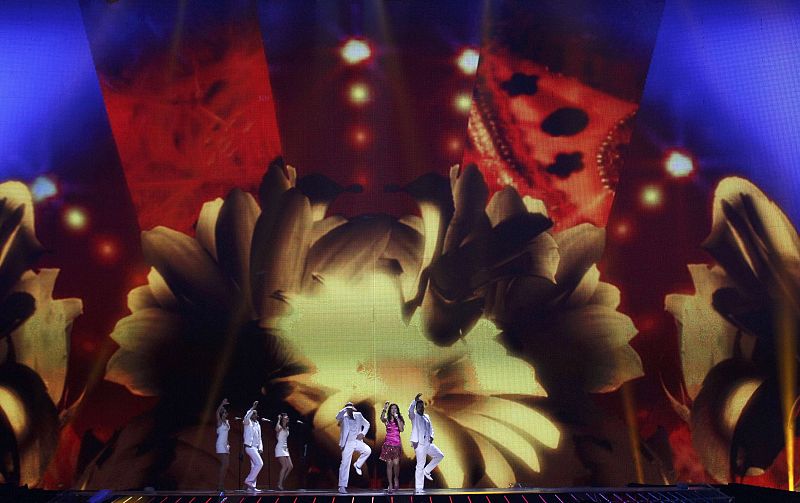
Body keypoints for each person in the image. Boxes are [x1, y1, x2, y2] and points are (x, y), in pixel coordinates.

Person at [408, 393, 443, 491]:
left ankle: (427, 471)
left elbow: (431, 428)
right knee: (420, 465)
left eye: (422, 406)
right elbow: (410, 410)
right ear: (416, 407)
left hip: (428, 443)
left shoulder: (427, 416)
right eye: (419, 406)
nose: (421, 408)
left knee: (440, 455)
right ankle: (419, 488)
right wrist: (414, 401)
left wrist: (432, 436)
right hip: (419, 444)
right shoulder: (414, 416)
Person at [335, 401, 371, 493]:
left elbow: (367, 424)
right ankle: (342, 486)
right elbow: (337, 417)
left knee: (367, 450)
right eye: (348, 409)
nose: (350, 410)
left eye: (351, 408)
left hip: (357, 441)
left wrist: (363, 433)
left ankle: (357, 465)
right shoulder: (343, 417)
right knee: (345, 463)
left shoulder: (358, 415)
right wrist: (345, 409)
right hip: (347, 443)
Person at [379, 401, 404, 491]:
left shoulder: (400, 419)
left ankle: (396, 478)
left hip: (396, 445)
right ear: (390, 410)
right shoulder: (387, 419)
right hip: (388, 445)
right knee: (389, 464)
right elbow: (381, 418)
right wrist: (384, 409)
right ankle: (390, 484)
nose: (394, 410)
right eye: (392, 408)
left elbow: (401, 429)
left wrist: (397, 418)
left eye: (395, 408)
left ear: (397, 410)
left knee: (396, 463)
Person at [243, 401, 264, 492]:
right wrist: (252, 408)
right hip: (249, 447)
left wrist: (260, 448)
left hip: (255, 447)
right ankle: (248, 481)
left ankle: (251, 487)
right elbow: (246, 417)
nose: (256, 415)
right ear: (251, 414)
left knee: (254, 466)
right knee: (260, 464)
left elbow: (260, 437)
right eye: (254, 413)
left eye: (256, 413)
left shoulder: (257, 424)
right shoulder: (247, 422)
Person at [215, 398, 231, 492]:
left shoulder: (227, 422)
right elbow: (217, 412)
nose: (226, 414)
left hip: (225, 445)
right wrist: (222, 403)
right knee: (224, 464)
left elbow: (226, 434)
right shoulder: (220, 421)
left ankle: (221, 485)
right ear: (222, 414)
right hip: (220, 444)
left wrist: (228, 442)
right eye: (224, 412)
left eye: (226, 412)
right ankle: (220, 485)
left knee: (226, 465)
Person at [275, 412, 293, 490]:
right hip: (280, 448)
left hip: (286, 449)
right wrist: (278, 419)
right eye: (286, 417)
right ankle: (280, 484)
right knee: (285, 466)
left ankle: (280, 482)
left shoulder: (287, 428)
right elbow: (276, 429)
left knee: (290, 466)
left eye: (288, 417)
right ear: (283, 419)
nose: (287, 418)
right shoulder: (280, 427)